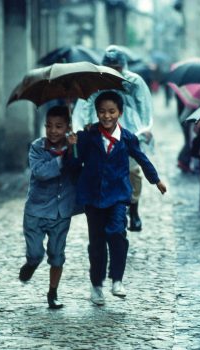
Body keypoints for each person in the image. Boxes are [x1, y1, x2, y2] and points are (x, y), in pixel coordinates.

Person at [68, 91, 167, 305]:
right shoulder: (87, 136)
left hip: (119, 195)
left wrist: (156, 180)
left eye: (111, 111)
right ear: (96, 113)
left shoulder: (128, 137)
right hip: (93, 197)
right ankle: (96, 286)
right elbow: (75, 164)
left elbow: (141, 158)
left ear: (120, 113)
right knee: (96, 243)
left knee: (116, 233)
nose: (107, 116)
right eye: (102, 112)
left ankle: (117, 279)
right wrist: (74, 145)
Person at [72, 46, 153, 232]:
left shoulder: (134, 82)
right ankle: (110, 206)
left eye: (117, 67)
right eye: (110, 67)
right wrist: (83, 124)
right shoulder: (95, 82)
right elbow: (86, 104)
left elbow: (144, 105)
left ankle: (133, 209)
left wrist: (145, 128)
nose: (113, 71)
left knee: (132, 170)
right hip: (101, 130)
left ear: (122, 66)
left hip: (129, 130)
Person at [19, 105, 78, 309]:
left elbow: (82, 168)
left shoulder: (74, 146)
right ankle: (31, 264)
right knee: (36, 253)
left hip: (62, 211)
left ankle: (52, 293)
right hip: (36, 210)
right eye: (49, 126)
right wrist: (64, 157)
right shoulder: (37, 147)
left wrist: (74, 150)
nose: (53, 131)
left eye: (59, 126)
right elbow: (41, 172)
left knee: (57, 254)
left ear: (67, 127)